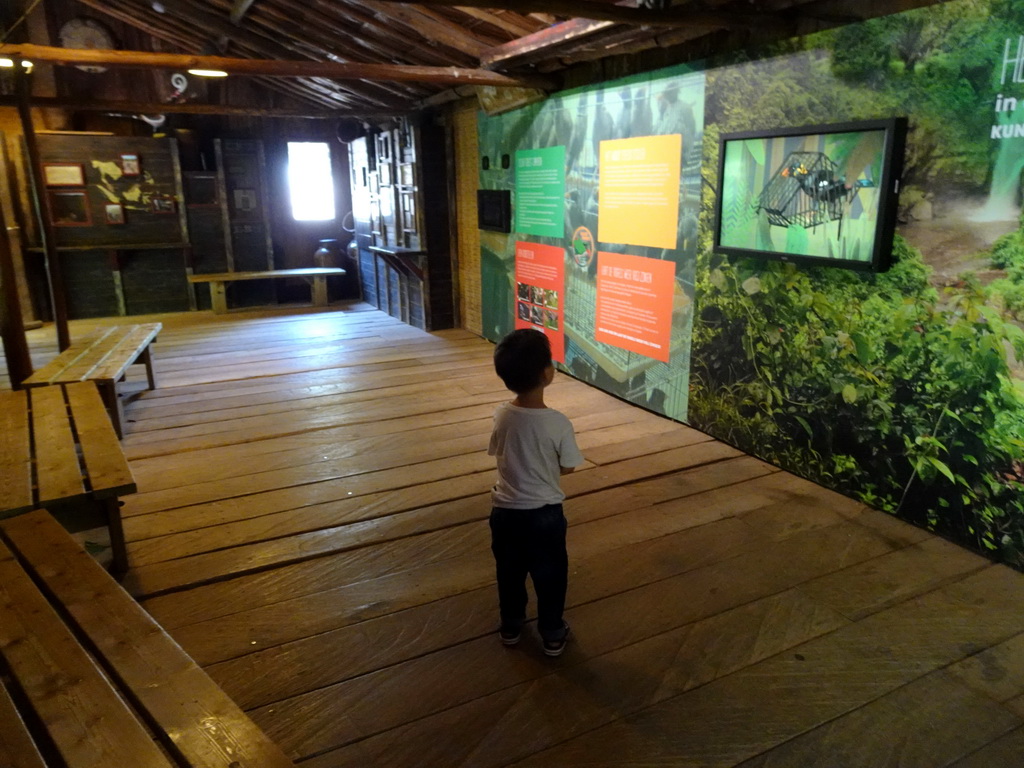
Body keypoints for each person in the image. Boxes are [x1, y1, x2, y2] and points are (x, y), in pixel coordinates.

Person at [488, 328, 585, 656]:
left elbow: (499, 451)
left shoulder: (502, 414)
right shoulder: (557, 423)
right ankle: (553, 632)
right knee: (551, 575)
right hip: (545, 514)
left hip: (504, 512)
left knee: (509, 572)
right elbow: (569, 466)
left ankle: (511, 625)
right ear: (548, 373)